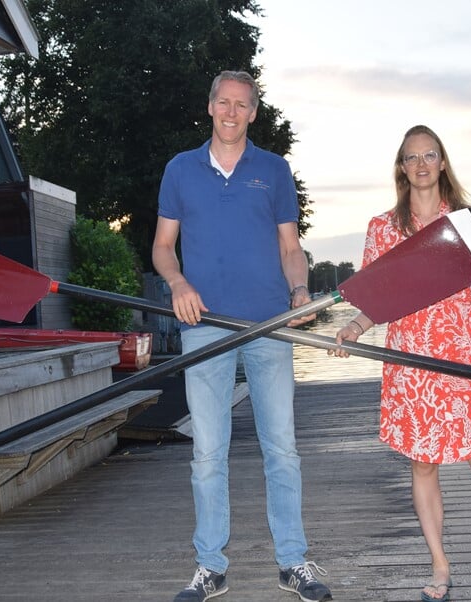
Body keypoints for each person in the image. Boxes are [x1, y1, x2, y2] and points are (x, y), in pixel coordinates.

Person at [330, 125, 471, 602]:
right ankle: (440, 567)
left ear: (443, 162)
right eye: (411, 157)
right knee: (423, 464)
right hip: (411, 362)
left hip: (465, 354)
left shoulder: (469, 219)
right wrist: (354, 329)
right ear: (401, 168)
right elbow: (377, 299)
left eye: (430, 155)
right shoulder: (383, 228)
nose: (421, 164)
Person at [152, 70, 332, 602]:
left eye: (242, 105)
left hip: (268, 324)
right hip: (202, 325)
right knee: (209, 452)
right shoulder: (180, 170)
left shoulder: (273, 170)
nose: (231, 113)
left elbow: (290, 247)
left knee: (282, 448)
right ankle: (211, 567)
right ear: (209, 107)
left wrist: (299, 292)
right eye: (223, 103)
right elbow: (164, 247)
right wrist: (178, 281)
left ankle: (293, 561)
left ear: (254, 112)